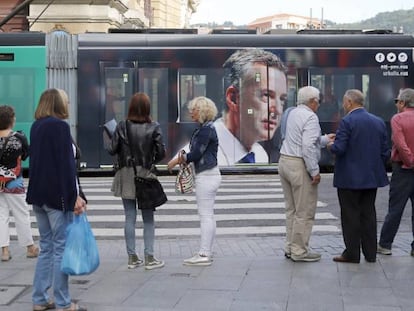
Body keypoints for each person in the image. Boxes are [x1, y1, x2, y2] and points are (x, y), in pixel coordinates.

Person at [26, 88, 87, 311]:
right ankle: (63, 302)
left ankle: (39, 298)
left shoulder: (37, 126)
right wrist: (74, 197)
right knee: (61, 248)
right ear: (57, 103)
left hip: (38, 196)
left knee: (47, 248)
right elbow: (66, 166)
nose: (68, 103)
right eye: (65, 100)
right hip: (57, 198)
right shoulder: (60, 127)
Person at [179, 49, 287, 165]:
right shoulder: (197, 152)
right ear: (233, 99)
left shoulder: (260, 155)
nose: (277, 110)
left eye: (282, 100)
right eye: (266, 95)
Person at [328, 89, 389, 264]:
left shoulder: (347, 121)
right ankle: (370, 254)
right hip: (371, 178)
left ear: (349, 102)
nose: (343, 105)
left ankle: (352, 253)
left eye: (344, 102)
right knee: (369, 214)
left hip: (349, 178)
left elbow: (340, 148)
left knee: (350, 216)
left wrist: (330, 146)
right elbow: (385, 152)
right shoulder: (377, 122)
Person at [107, 92, 166, 270]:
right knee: (148, 218)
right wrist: (149, 161)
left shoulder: (122, 126)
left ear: (131, 107)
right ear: (148, 108)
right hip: (145, 173)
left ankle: (132, 257)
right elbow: (161, 153)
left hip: (125, 173)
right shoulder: (154, 127)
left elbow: (112, 149)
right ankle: (150, 257)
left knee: (129, 217)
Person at [278, 86, 334, 262]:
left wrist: (324, 140)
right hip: (299, 164)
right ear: (312, 101)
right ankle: (299, 250)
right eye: (318, 101)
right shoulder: (311, 117)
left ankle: (290, 246)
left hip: (285, 160)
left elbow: (299, 138)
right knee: (304, 210)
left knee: (291, 210)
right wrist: (314, 171)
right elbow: (308, 147)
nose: (319, 104)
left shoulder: (292, 113)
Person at [168, 96, 222, 266]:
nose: (191, 112)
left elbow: (196, 153)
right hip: (210, 174)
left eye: (194, 110)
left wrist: (176, 160)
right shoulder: (206, 128)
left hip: (206, 176)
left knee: (205, 215)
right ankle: (207, 251)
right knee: (209, 215)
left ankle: (204, 254)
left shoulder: (205, 130)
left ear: (202, 111)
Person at [378, 88, 414, 257]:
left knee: (395, 209)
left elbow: (400, 144)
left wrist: (410, 161)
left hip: (403, 169)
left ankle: (385, 244)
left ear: (403, 102)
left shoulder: (398, 119)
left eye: (397, 101)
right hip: (408, 165)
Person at [0, 105, 39, 262]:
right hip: (14, 182)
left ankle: (4, 251)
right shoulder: (19, 137)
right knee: (21, 214)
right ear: (12, 121)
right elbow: (25, 156)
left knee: (1, 216)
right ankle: (30, 247)